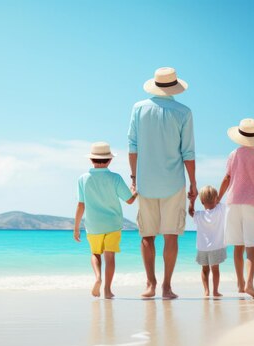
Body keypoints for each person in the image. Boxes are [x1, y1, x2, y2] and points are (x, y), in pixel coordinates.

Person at [128, 67, 197, 299]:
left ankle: (150, 284)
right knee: (171, 235)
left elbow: (132, 147)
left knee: (147, 236)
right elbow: (188, 152)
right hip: (174, 182)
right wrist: (194, 184)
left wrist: (134, 179)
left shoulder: (138, 109)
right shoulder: (184, 112)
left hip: (146, 182)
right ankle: (167, 287)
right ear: (174, 87)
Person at [218, 118, 254, 298]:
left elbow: (226, 179)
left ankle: (240, 284)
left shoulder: (233, 154)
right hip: (253, 203)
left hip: (233, 202)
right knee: (251, 246)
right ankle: (250, 284)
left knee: (238, 245)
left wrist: (218, 198)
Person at [74, 142, 138, 299]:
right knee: (110, 257)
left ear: (91, 160)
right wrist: (134, 191)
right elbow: (129, 200)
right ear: (109, 160)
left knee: (95, 254)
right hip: (113, 224)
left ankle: (97, 278)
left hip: (93, 224)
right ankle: (108, 290)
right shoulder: (115, 178)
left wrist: (76, 227)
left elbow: (81, 205)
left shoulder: (83, 179)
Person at [188, 185, 226, 297]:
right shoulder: (220, 210)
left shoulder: (199, 215)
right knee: (215, 270)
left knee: (204, 270)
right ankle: (215, 291)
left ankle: (206, 291)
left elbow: (191, 212)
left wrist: (192, 201)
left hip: (202, 248)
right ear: (216, 199)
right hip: (216, 247)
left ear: (202, 201)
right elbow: (219, 200)